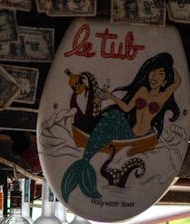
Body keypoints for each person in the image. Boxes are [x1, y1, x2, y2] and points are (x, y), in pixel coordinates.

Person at [60, 52, 182, 201]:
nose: (154, 76)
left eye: (161, 73)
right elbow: (126, 108)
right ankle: (85, 161)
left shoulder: (163, 96)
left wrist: (169, 62)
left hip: (143, 137)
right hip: (130, 133)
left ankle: (87, 158)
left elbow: (178, 81)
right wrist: (111, 96)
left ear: (165, 81)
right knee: (113, 116)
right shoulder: (142, 91)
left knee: (112, 119)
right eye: (153, 71)